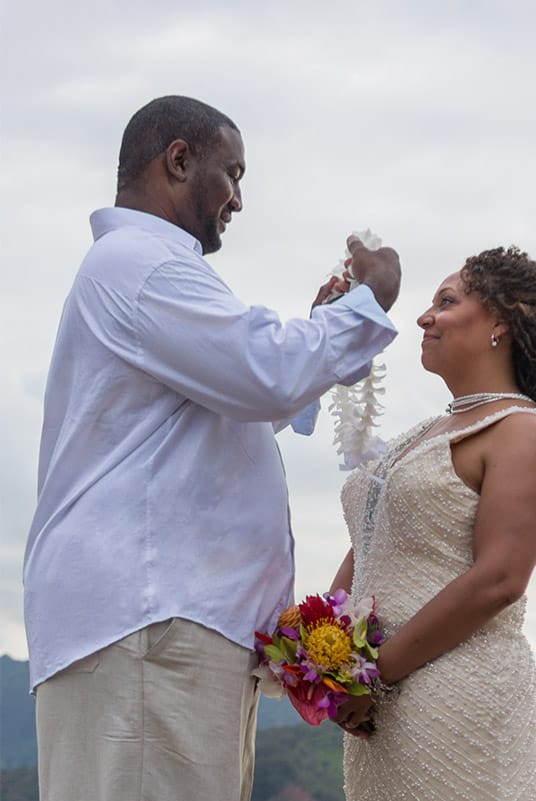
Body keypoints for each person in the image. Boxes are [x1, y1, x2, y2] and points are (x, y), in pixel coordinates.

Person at [22, 95, 402, 801]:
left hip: (162, 624)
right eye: (233, 174)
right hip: (151, 620)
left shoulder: (135, 268)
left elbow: (238, 400)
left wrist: (314, 334)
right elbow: (265, 373)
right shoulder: (145, 266)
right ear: (178, 160)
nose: (239, 198)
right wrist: (367, 302)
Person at [326, 246, 536, 801]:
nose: (424, 317)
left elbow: (500, 579)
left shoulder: (522, 429)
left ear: (501, 323)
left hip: (454, 700)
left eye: (446, 301)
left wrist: (376, 677)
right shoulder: (422, 434)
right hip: (380, 719)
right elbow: (371, 543)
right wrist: (323, 656)